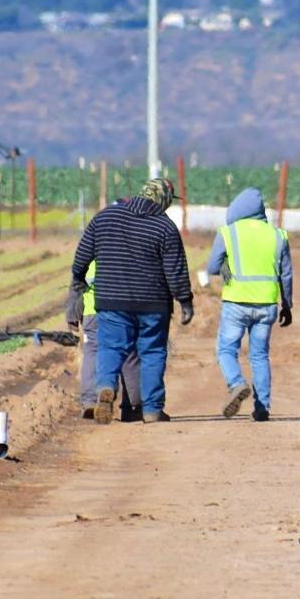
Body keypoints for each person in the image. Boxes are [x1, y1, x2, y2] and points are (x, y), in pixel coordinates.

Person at [70, 177, 193, 424]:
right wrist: (185, 300)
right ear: (164, 201)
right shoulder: (164, 226)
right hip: (153, 304)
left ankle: (105, 387)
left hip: (112, 300)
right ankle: (151, 409)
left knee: (110, 347)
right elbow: (175, 269)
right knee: (153, 352)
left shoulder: (105, 218)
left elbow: (82, 256)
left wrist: (79, 279)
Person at [206, 188, 293, 421]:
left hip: (236, 301)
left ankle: (236, 383)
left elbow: (212, 267)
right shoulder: (278, 235)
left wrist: (226, 265)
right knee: (260, 356)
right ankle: (262, 407)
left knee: (225, 350)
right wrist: (287, 305)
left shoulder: (228, 233)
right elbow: (286, 275)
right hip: (267, 304)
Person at [66, 259, 142, 421]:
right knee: (128, 355)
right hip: (123, 310)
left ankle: (90, 401)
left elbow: (76, 282)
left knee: (92, 352)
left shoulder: (91, 247)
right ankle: (133, 406)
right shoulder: (128, 248)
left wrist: (72, 314)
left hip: (92, 312)